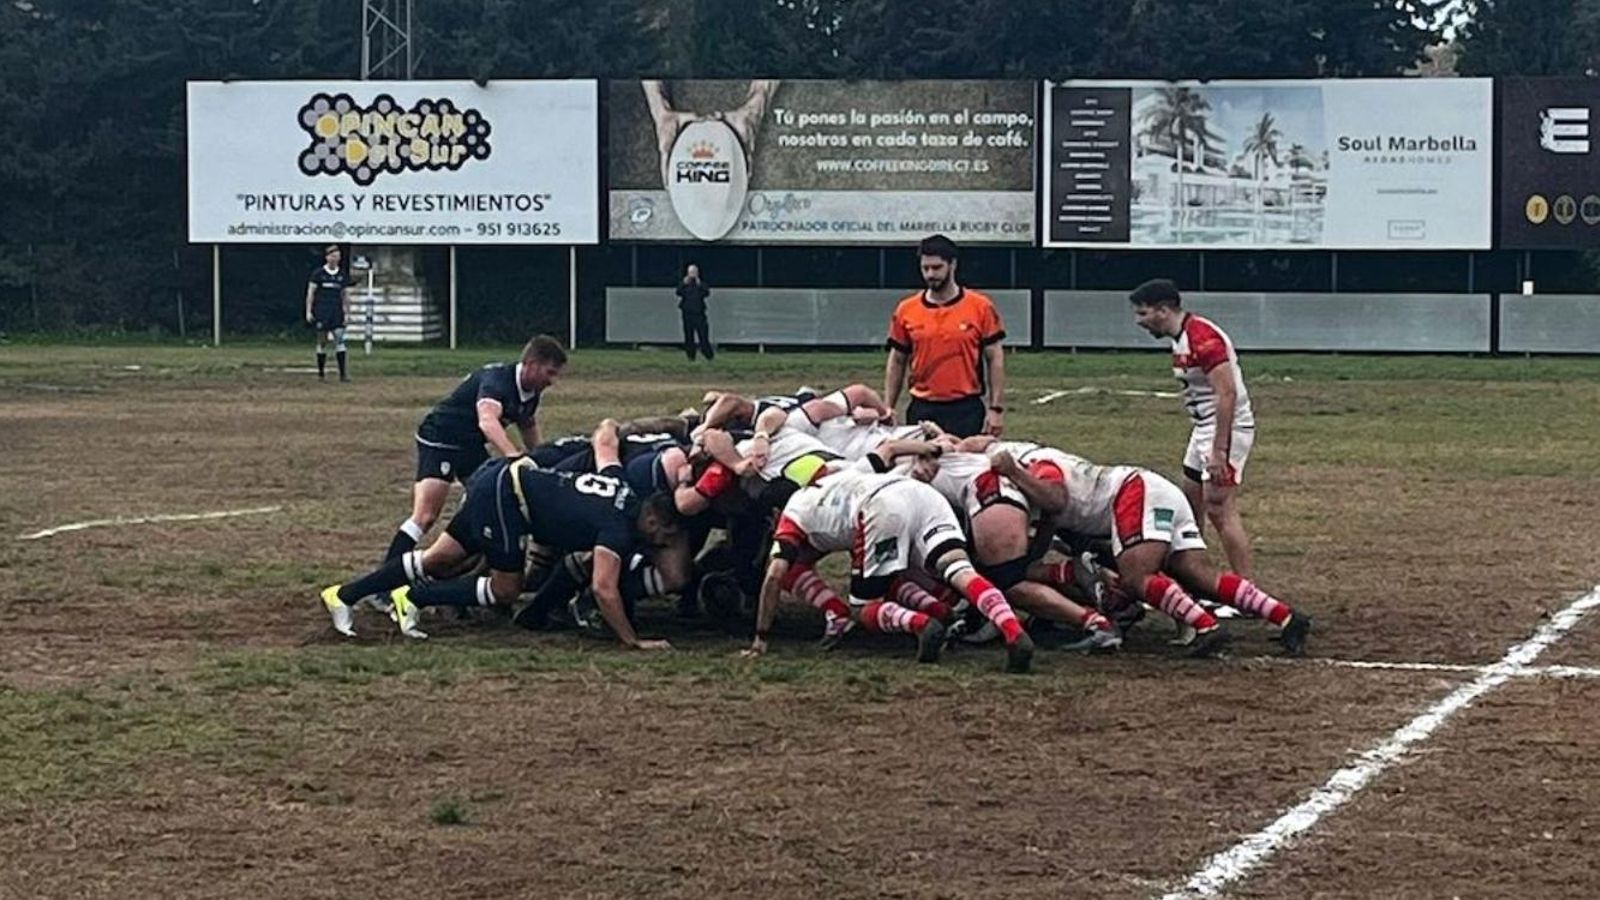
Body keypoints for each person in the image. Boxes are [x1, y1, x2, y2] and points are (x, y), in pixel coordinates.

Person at [319, 432, 680, 650]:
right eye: (664, 534)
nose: (662, 543)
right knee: (507, 588)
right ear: (650, 518)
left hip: (501, 484)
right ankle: (413, 596)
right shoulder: (617, 526)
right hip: (508, 499)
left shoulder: (623, 489)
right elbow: (604, 588)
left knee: (436, 558)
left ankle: (344, 595)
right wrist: (632, 641)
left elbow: (605, 448)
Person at [981, 438, 1311, 657]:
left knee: (1137, 577)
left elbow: (1055, 499)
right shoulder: (1041, 458)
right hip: (1152, 488)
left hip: (1133, 492)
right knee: (1195, 572)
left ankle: (1205, 626)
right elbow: (1056, 516)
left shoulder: (1034, 466)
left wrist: (1012, 472)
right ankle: (1284, 616)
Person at [382, 335, 566, 562]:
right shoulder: (497, 381)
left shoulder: (531, 392)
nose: (553, 380)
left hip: (470, 445)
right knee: (426, 515)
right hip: (442, 438)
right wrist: (514, 457)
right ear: (531, 364)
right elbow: (487, 421)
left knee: (488, 499)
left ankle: (457, 566)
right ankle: (385, 578)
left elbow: (527, 424)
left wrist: (542, 462)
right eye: (550, 372)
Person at [1129, 279, 1256, 578]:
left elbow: (1227, 394)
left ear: (1163, 310)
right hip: (1203, 428)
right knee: (1190, 503)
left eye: (1143, 313)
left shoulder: (1202, 337)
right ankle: (1197, 577)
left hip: (1225, 428)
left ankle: (1248, 590)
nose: (1139, 322)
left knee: (1218, 508)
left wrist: (1219, 451)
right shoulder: (1182, 336)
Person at [884, 235, 1007, 438]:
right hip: (922, 408)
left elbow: (995, 358)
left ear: (953, 265)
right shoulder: (906, 310)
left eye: (937, 267)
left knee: (964, 466)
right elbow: (897, 360)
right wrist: (888, 407)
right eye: (925, 268)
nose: (930, 274)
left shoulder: (980, 307)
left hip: (966, 410)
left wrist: (996, 409)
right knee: (922, 467)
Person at [304, 244, 351, 382]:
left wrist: (347, 313)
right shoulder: (318, 274)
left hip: (336, 311)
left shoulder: (342, 275)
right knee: (322, 341)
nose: (335, 259)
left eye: (338, 256)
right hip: (322, 311)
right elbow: (310, 293)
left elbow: (345, 295)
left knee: (339, 339)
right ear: (327, 257)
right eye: (333, 256)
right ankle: (321, 373)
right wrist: (309, 311)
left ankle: (343, 374)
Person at [676, 264, 714, 361]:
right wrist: (684, 283)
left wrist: (699, 283)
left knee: (703, 336)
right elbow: (678, 292)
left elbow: (707, 292)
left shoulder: (700, 284)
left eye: (694, 272)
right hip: (687, 314)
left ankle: (708, 355)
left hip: (699, 314)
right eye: (691, 272)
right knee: (689, 336)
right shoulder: (685, 284)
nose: (692, 275)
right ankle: (691, 356)